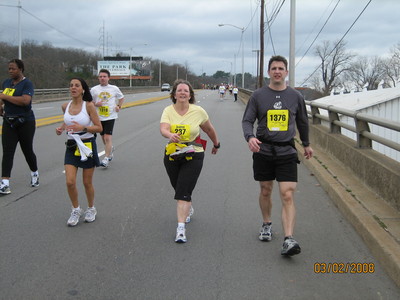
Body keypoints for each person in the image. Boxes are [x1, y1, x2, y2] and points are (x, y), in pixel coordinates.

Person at [242, 55, 313, 256]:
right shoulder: (258, 96)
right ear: (268, 72)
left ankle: (288, 239)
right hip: (263, 149)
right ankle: (267, 224)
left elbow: (302, 123)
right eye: (274, 68)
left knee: (287, 193)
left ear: (286, 72)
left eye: (281, 68)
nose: (277, 71)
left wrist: (306, 144)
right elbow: (247, 120)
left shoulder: (295, 96)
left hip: (287, 150)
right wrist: (250, 137)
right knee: (265, 190)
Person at [160, 79, 220, 243]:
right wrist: (169, 135)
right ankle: (187, 204)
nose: (182, 93)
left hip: (194, 153)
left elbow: (208, 129)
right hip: (173, 154)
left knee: (183, 191)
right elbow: (163, 128)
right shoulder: (168, 110)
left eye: (186, 91)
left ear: (190, 95)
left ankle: (180, 229)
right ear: (174, 94)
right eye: (179, 90)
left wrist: (216, 144)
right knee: (178, 186)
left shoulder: (198, 111)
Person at [56, 78, 102, 226]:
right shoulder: (65, 106)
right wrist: (61, 128)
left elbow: (99, 127)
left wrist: (83, 128)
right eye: (71, 86)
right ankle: (76, 209)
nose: (73, 88)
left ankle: (91, 208)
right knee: (69, 182)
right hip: (71, 145)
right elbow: (68, 120)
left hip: (86, 145)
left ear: (83, 89)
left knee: (87, 182)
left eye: (77, 85)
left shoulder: (88, 106)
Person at [0, 59, 39, 195]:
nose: (10, 71)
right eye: (9, 69)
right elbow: (2, 98)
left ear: (20, 69)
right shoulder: (6, 83)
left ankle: (34, 173)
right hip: (9, 122)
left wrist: (4, 96)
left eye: (13, 69)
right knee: (7, 152)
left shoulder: (27, 83)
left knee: (27, 150)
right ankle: (5, 183)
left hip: (25, 122)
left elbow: (25, 101)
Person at [90, 69, 124, 168]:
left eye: (104, 76)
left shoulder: (114, 88)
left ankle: (106, 158)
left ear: (108, 78)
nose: (102, 78)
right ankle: (110, 150)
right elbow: (89, 102)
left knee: (107, 137)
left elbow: (121, 98)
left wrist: (118, 106)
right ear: (98, 78)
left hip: (110, 116)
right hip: (98, 117)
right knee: (103, 138)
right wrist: (96, 104)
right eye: (100, 76)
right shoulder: (94, 89)